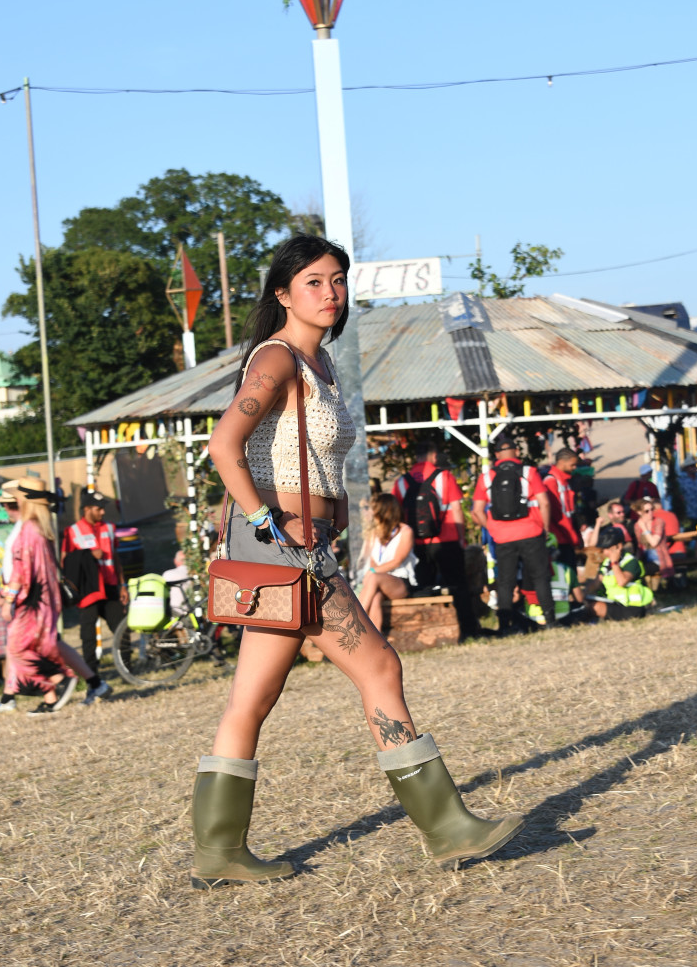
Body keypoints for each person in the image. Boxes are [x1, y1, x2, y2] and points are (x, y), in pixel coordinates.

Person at [196, 234, 523, 890]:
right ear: (283, 294)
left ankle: (218, 850)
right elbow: (223, 445)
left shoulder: (322, 366)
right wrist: (266, 524)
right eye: (314, 282)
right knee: (379, 664)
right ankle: (447, 827)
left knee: (251, 699)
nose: (331, 292)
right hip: (283, 546)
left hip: (305, 546)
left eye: (338, 280)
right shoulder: (279, 358)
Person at [0, 482, 112, 713]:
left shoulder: (28, 531)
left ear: (23, 503)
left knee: (19, 646)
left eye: (13, 503)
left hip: (33, 600)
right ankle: (51, 694)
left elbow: (22, 570)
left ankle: (59, 679)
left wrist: (9, 598)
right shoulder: (40, 529)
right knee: (35, 644)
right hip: (42, 598)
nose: (10, 508)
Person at [392, 442, 477, 639]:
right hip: (447, 539)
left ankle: (427, 632)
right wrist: (461, 538)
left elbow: (396, 515)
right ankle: (467, 629)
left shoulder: (401, 482)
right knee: (457, 586)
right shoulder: (444, 477)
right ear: (432, 455)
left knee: (423, 588)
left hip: (416, 544)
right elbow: (456, 510)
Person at [471, 436, 555, 633]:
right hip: (532, 532)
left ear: (497, 455)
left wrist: (491, 528)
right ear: (517, 452)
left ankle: (504, 625)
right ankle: (550, 620)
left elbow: (476, 511)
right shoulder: (529, 472)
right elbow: (544, 503)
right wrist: (545, 527)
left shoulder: (486, 477)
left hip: (502, 537)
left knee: (506, 581)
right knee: (540, 576)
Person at [62, 489, 129, 676]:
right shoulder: (72, 532)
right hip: (88, 589)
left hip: (110, 586)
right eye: (99, 509)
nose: (102, 512)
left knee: (121, 627)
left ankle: (128, 667)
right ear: (87, 509)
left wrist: (122, 585)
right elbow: (66, 561)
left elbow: (115, 558)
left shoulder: (109, 528)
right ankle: (91, 673)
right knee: (88, 635)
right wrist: (88, 555)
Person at [357, 494, 418, 631]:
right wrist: (372, 571)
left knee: (372, 577)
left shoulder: (405, 531)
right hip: (379, 581)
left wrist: (372, 572)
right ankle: (375, 642)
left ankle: (355, 620)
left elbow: (397, 561)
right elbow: (373, 560)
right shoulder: (375, 533)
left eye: (374, 509)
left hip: (400, 582)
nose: (371, 512)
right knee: (376, 598)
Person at [584, 526, 654, 620]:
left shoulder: (631, 562)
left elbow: (622, 582)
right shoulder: (606, 563)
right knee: (586, 605)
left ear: (619, 546)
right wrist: (583, 594)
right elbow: (596, 583)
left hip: (633, 607)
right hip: (615, 603)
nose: (604, 552)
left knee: (595, 607)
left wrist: (614, 563)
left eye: (607, 549)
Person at [543, 448, 582, 569]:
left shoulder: (564, 481)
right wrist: (573, 537)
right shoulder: (552, 481)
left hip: (566, 536)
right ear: (562, 462)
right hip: (559, 538)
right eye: (573, 464)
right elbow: (558, 514)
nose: (574, 468)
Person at [632, 497, 674, 581]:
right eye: (647, 511)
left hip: (659, 559)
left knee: (638, 571)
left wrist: (644, 528)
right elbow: (639, 546)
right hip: (645, 558)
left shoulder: (658, 522)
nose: (650, 513)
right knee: (631, 569)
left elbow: (654, 543)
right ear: (639, 512)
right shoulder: (637, 526)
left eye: (652, 509)